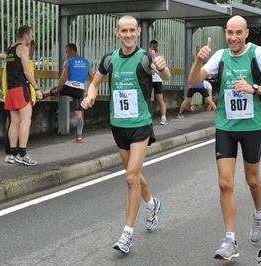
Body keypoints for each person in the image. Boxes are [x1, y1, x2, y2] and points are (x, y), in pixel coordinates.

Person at [188, 15, 261, 261]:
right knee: (224, 183)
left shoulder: (259, 54)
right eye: (230, 32)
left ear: (246, 33)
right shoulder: (219, 56)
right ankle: (230, 240)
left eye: (238, 32)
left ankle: (259, 213)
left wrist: (253, 88)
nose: (233, 37)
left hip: (251, 126)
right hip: (225, 126)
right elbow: (193, 82)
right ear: (225, 33)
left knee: (252, 180)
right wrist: (198, 62)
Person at [81, 15, 170, 254]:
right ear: (116, 32)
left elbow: (166, 75)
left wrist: (162, 67)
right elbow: (95, 82)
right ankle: (152, 203)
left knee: (131, 178)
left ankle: (127, 235)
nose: (128, 34)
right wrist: (90, 96)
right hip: (118, 125)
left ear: (138, 32)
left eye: (132, 30)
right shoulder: (110, 59)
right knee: (133, 173)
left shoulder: (144, 58)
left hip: (140, 124)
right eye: (124, 31)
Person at [3, 25, 42, 166]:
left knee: (14, 121)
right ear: (26, 36)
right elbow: (26, 71)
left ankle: (11, 154)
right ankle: (23, 154)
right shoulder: (23, 48)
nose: (31, 39)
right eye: (31, 36)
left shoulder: (10, 48)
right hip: (20, 88)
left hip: (10, 89)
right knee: (26, 121)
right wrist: (37, 89)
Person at [42, 43, 94, 143]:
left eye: (66, 52)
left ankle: (34, 98)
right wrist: (89, 91)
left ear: (71, 51)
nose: (66, 54)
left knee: (48, 93)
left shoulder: (68, 62)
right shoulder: (87, 62)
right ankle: (79, 136)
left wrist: (57, 91)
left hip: (68, 86)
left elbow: (62, 78)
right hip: (79, 89)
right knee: (79, 113)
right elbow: (92, 77)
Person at [150, 40, 168, 125]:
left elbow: (162, 68)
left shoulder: (160, 56)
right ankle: (147, 118)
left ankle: (163, 118)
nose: (156, 48)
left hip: (158, 80)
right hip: (149, 80)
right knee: (146, 99)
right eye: (154, 46)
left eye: (156, 46)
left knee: (160, 99)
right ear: (150, 47)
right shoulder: (146, 55)